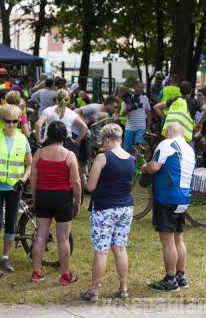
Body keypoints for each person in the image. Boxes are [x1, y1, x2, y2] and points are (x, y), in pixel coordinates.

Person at [80, 123, 136, 301]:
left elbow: (91, 186)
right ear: (120, 138)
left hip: (104, 208)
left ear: (106, 139)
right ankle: (124, 288)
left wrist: (82, 177)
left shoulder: (103, 158)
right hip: (126, 206)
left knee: (101, 251)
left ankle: (95, 290)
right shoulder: (131, 159)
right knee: (120, 249)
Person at [141, 122, 195, 292]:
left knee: (168, 240)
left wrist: (144, 167)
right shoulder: (189, 149)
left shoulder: (167, 144)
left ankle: (170, 279)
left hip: (167, 197)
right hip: (184, 198)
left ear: (170, 132)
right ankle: (181, 276)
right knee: (178, 238)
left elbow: (154, 166)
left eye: (165, 132)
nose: (164, 135)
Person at [30, 121, 81, 285]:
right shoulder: (69, 155)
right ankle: (65, 276)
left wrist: (35, 197)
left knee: (40, 236)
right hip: (62, 198)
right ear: (64, 135)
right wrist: (78, 202)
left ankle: (36, 273)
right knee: (63, 238)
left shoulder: (38, 153)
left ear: (49, 134)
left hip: (43, 195)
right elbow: (76, 182)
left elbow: (33, 179)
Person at [0, 104, 32, 276]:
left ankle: (5, 258)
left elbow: (29, 164)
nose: (12, 125)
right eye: (8, 121)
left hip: (14, 187)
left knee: (11, 222)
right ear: (2, 121)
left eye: (15, 121)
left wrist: (23, 180)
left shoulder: (22, 139)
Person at [35, 89, 88, 153]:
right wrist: (76, 141)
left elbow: (38, 125)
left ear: (56, 99)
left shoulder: (48, 111)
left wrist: (39, 140)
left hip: (49, 142)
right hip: (66, 144)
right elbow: (85, 127)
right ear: (67, 100)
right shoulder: (72, 113)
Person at [122, 81, 152, 152]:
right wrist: (129, 106)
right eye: (140, 87)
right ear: (135, 87)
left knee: (139, 148)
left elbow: (148, 112)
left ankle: (137, 162)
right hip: (129, 128)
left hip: (141, 128)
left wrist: (148, 126)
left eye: (143, 88)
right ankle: (129, 162)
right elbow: (123, 113)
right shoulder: (128, 97)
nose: (142, 89)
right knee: (127, 149)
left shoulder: (145, 98)